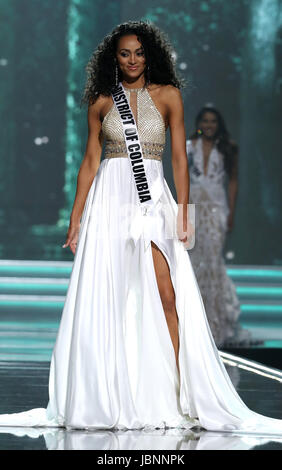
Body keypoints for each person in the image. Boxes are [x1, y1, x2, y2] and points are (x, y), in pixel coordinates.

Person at [0, 20, 281, 435]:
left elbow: (180, 161)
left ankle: (182, 392)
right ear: (114, 58)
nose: (132, 60)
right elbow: (90, 162)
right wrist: (77, 218)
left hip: (152, 199)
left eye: (139, 52)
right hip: (109, 201)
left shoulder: (168, 96)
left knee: (167, 292)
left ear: (151, 55)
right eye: (124, 53)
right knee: (109, 294)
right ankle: (112, 394)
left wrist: (184, 214)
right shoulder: (101, 100)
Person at [186, 106, 260, 348]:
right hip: (195, 206)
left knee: (213, 261)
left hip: (217, 208)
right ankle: (193, 322)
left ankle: (216, 323)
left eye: (213, 121)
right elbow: (182, 177)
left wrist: (231, 211)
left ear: (218, 124)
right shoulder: (189, 146)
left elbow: (234, 181)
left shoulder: (229, 147)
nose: (209, 125)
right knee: (194, 260)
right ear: (199, 122)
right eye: (205, 120)